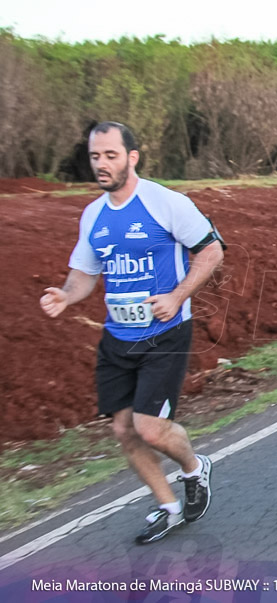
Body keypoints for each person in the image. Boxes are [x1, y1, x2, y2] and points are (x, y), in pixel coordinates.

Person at [39, 121, 223, 545]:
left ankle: (195, 468)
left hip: (165, 331)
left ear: (132, 157)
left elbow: (211, 250)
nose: (101, 165)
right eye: (95, 157)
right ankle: (167, 507)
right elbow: (84, 274)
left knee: (151, 428)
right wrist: (66, 297)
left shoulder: (165, 203)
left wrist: (176, 297)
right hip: (117, 337)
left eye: (110, 155)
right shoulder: (94, 215)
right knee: (123, 430)